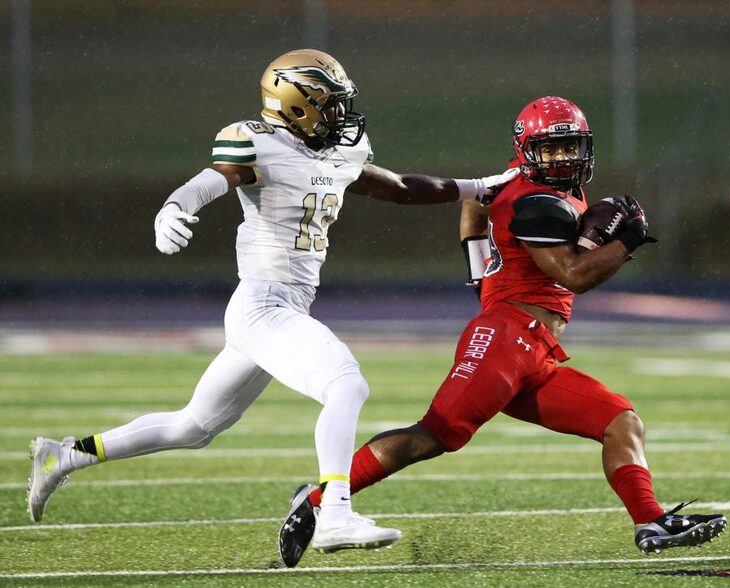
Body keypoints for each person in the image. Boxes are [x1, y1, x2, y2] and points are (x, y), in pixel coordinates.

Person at [26, 49, 517, 555]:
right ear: (297, 106)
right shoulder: (258, 142)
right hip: (262, 304)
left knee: (194, 426)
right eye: (330, 105)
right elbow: (216, 178)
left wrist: (477, 186)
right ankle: (334, 515)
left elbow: (398, 188)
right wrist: (176, 205)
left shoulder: (339, 150)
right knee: (346, 384)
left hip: (281, 309)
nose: (341, 116)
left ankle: (64, 456)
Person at [278, 96, 727, 567]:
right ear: (527, 149)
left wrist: (481, 275)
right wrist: (628, 239)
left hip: (536, 348)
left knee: (621, 422)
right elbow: (573, 276)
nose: (563, 158)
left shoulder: (526, 187)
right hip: (507, 336)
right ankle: (315, 500)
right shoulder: (534, 200)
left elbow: (475, 207)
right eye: (550, 149)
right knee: (435, 435)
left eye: (570, 146)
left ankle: (649, 520)